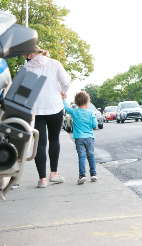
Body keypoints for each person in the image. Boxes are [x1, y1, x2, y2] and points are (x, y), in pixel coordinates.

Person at [23, 45, 71, 188]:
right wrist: (63, 92)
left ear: (30, 54)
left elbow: (24, 90)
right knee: (54, 138)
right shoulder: (54, 63)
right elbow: (66, 81)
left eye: (25, 56)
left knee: (40, 143)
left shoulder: (26, 68)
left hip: (35, 109)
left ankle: (42, 180)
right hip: (54, 106)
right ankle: (54, 174)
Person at [63, 91, 98, 184]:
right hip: (90, 138)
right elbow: (95, 124)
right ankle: (93, 174)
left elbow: (66, 108)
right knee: (91, 155)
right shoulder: (91, 113)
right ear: (87, 102)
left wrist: (63, 98)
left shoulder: (74, 112)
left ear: (76, 103)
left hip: (79, 138)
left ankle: (82, 175)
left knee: (81, 156)